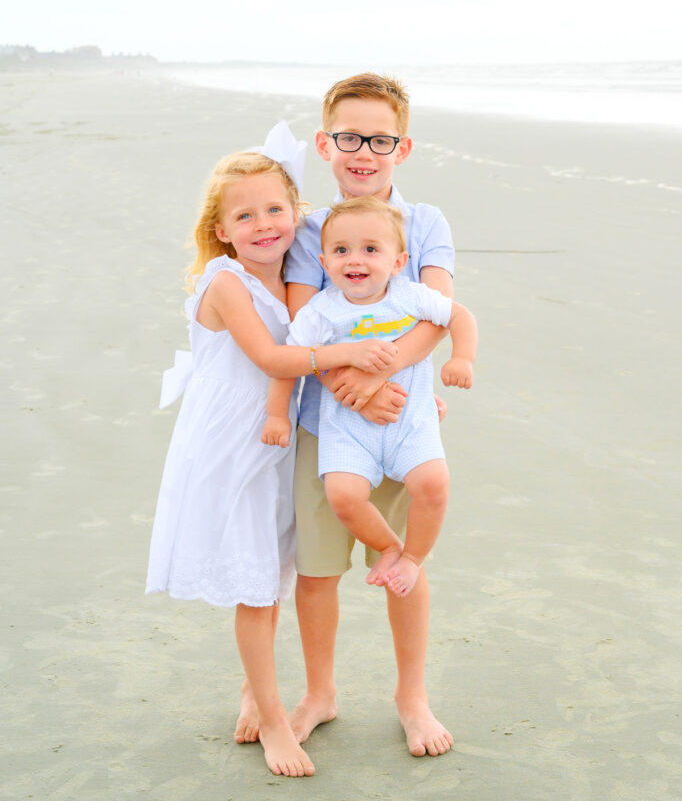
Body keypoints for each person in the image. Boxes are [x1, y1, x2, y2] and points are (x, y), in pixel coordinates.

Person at [145, 124, 396, 778]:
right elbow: (271, 356)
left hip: (277, 441)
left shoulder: (292, 275)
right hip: (236, 445)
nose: (264, 224)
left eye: (275, 209)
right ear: (222, 228)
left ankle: (254, 690)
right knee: (256, 590)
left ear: (296, 214)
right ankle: (277, 722)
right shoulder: (225, 283)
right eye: (245, 215)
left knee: (272, 574)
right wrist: (345, 356)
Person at [280, 72, 474, 757]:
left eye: (380, 139)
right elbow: (306, 323)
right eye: (349, 137)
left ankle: (412, 696)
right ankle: (320, 691)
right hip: (321, 423)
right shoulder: (310, 229)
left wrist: (381, 378)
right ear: (325, 143)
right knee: (317, 570)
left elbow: (437, 314)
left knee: (404, 566)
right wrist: (346, 386)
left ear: (404, 146)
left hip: (397, 416)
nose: (364, 151)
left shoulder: (424, 224)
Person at [262, 196, 477, 600]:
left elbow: (459, 315)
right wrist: (277, 414)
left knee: (433, 483)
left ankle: (412, 557)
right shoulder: (321, 312)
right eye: (341, 251)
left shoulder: (410, 295)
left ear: (398, 262)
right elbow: (291, 360)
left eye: (371, 250)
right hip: (346, 429)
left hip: (408, 422)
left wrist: (462, 358)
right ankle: (389, 547)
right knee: (343, 495)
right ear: (324, 263)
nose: (354, 260)